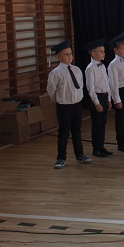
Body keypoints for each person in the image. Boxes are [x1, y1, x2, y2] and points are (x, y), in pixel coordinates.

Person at [46, 40, 91, 169]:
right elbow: (51, 89)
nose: (69, 56)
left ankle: (80, 154)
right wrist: (58, 100)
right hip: (64, 107)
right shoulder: (56, 73)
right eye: (66, 54)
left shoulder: (77, 70)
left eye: (70, 53)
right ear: (58, 57)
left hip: (77, 105)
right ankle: (61, 157)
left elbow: (80, 86)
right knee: (64, 132)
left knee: (77, 131)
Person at [84, 38, 113, 157]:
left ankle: (101, 146)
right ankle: (96, 149)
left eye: (104, 51)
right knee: (97, 124)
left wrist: (109, 99)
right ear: (93, 53)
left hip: (104, 97)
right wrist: (97, 103)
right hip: (97, 98)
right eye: (101, 51)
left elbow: (107, 83)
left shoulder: (102, 66)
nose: (104, 53)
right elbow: (90, 88)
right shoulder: (90, 68)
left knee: (102, 124)